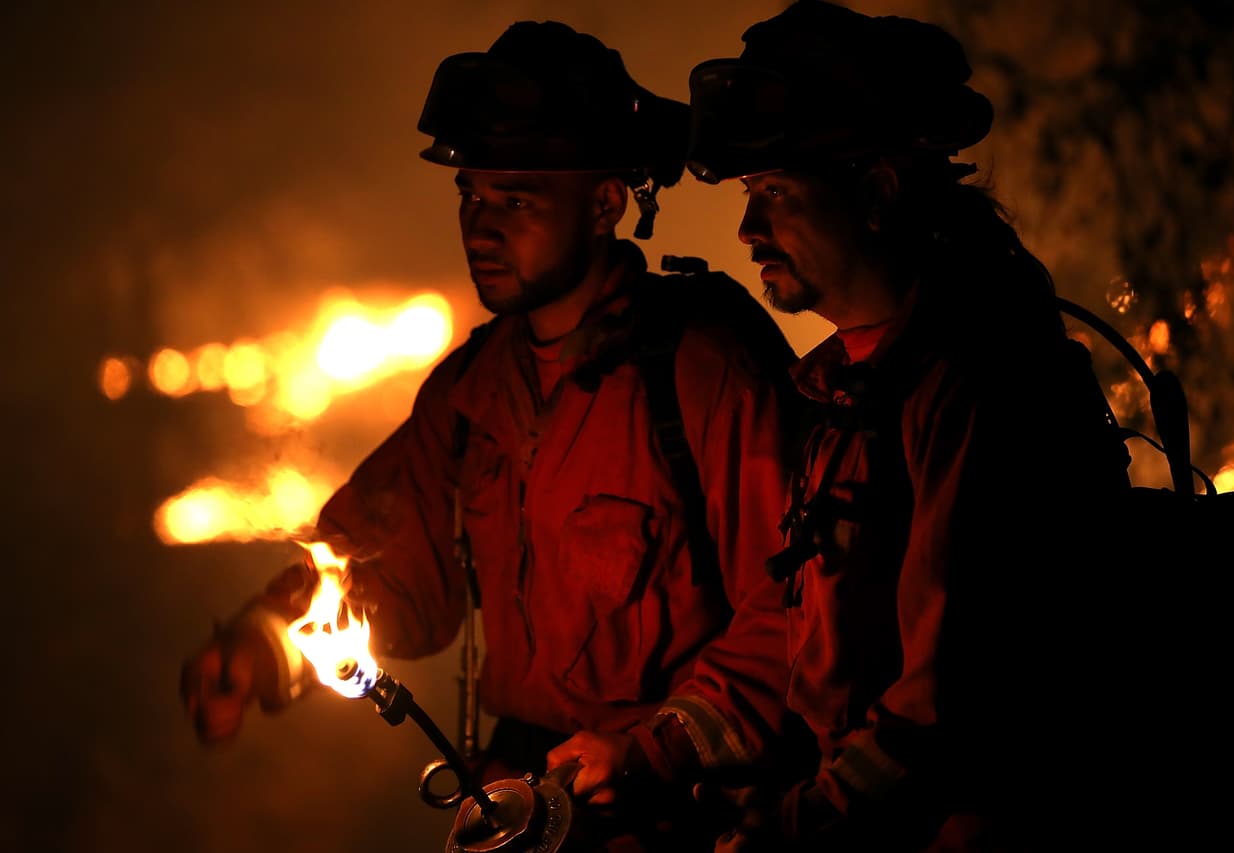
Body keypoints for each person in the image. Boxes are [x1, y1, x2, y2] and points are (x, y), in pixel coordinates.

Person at [180, 20, 804, 851]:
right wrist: (263, 642)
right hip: (528, 806)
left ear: (606, 202)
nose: (481, 227)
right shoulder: (473, 392)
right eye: (471, 195)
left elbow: (795, 613)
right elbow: (385, 567)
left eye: (517, 199)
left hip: (690, 815)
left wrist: (657, 746)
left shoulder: (701, 370)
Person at [685, 1, 1139, 850]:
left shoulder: (976, 384)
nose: (748, 229)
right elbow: (797, 624)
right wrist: (655, 747)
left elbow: (944, 708)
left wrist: (789, 827)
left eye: (776, 190)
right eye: (751, 193)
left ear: (879, 190)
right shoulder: (852, 390)